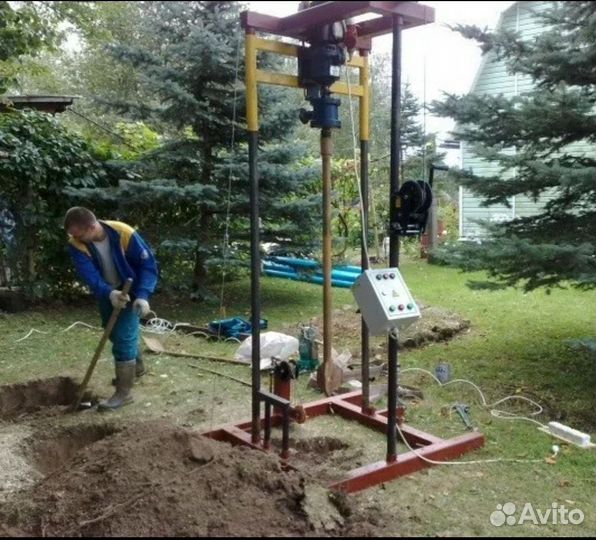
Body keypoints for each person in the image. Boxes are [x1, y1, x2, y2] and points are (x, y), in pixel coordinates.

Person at [64, 207, 158, 411]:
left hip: (130, 290)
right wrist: (108, 293)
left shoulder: (123, 233)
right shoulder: (77, 244)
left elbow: (148, 265)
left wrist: (142, 296)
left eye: (79, 235)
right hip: (106, 291)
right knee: (112, 330)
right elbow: (89, 274)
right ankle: (137, 366)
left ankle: (123, 394)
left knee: (123, 337)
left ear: (91, 227)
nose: (76, 239)